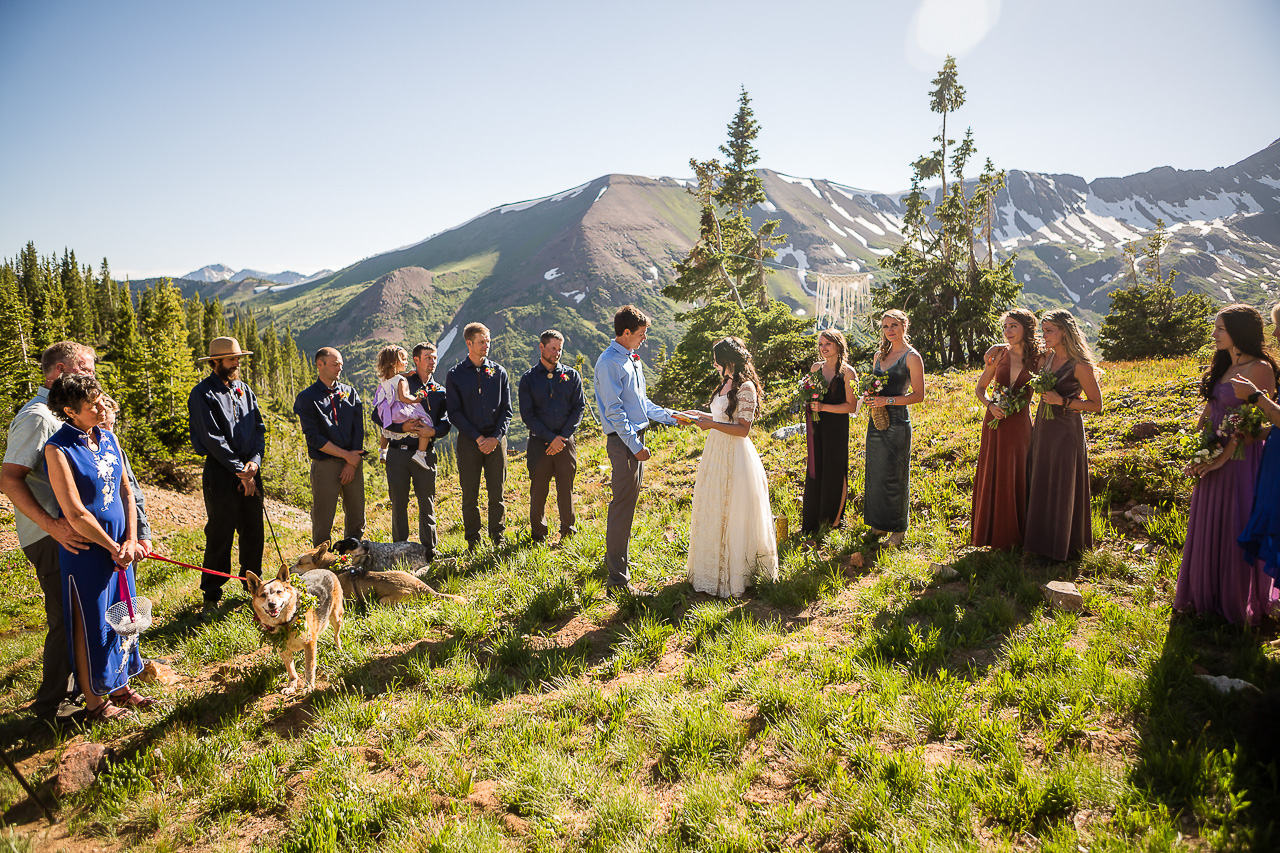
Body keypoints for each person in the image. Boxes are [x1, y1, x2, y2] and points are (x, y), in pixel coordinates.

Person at [1, 342, 101, 724]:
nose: (93, 376)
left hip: (70, 533)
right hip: (50, 535)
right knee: (66, 617)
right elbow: (8, 479)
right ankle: (51, 707)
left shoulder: (66, 415)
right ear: (59, 370)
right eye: (86, 369)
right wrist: (54, 526)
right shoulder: (38, 417)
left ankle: (83, 689)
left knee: (82, 613)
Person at [44, 374, 153, 722]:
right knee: (90, 621)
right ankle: (95, 701)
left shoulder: (108, 437)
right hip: (87, 552)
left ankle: (120, 685)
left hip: (121, 547)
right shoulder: (58, 449)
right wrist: (111, 546)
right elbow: (75, 511)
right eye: (92, 405)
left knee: (125, 614)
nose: (102, 407)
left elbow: (126, 491)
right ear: (69, 411)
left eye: (101, 399)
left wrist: (131, 540)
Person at [1174, 304, 1279, 625]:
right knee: (1207, 523)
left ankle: (1236, 603)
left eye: (1220, 328)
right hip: (1212, 454)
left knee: (1234, 522)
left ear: (1239, 331)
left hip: (1239, 460)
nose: (1214, 333)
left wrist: (1220, 457)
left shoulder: (1260, 368)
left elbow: (1252, 424)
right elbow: (1207, 414)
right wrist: (1197, 451)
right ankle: (1205, 596)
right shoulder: (1222, 364)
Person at [595, 304, 686, 593]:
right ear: (625, 333)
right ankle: (617, 581)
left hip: (636, 440)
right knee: (622, 506)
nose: (644, 339)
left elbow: (642, 404)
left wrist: (672, 416)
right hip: (624, 443)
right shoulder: (608, 363)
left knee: (628, 504)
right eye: (641, 334)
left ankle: (618, 562)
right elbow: (615, 412)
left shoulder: (632, 359)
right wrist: (635, 446)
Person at [682, 337, 779, 597]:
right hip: (715, 452)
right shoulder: (725, 384)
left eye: (717, 359)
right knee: (713, 505)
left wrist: (711, 425)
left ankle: (736, 575)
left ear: (728, 360)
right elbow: (718, 417)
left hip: (735, 454)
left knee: (734, 509)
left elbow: (743, 429)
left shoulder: (745, 387)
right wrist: (694, 415)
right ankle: (710, 571)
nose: (714, 364)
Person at [188, 336, 266, 610]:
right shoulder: (202, 393)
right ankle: (211, 594)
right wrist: (238, 471)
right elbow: (212, 439)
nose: (236, 364)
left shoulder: (243, 389)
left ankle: (252, 588)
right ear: (215, 362)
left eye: (237, 359)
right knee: (221, 532)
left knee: (254, 530)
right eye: (231, 359)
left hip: (250, 469)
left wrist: (254, 463)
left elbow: (258, 428)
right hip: (221, 472)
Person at [1023, 309, 1104, 561]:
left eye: (1049, 331)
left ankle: (1062, 547)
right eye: (1043, 330)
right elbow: (1016, 349)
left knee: (1061, 484)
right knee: (1042, 479)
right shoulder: (1047, 358)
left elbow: (1096, 405)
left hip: (1066, 431)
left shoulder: (1081, 366)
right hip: (1044, 428)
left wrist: (1063, 401)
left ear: (1064, 332)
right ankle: (1039, 544)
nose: (1043, 335)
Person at [971, 309, 1043, 549]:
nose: (1008, 331)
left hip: (1020, 424)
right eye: (1005, 327)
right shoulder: (999, 354)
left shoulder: (1039, 359)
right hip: (994, 423)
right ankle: (990, 534)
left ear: (1026, 328)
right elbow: (980, 388)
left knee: (1017, 473)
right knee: (993, 472)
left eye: (1013, 326)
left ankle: (1016, 536)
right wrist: (990, 405)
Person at [372, 342, 451, 555]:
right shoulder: (402, 382)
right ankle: (400, 549)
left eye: (434, 357)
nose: (432, 361)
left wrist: (432, 432)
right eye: (428, 357)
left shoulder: (440, 391)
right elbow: (376, 414)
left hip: (424, 452)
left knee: (427, 501)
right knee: (399, 502)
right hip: (397, 452)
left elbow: (445, 422)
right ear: (417, 360)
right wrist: (402, 426)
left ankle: (429, 549)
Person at [445, 322, 513, 549]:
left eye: (488, 341)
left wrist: (495, 437)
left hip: (496, 440)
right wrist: (477, 438)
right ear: (469, 343)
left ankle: (498, 538)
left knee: (498, 492)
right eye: (482, 342)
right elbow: (454, 412)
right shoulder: (455, 375)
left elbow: (507, 410)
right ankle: (473, 541)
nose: (487, 345)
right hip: (469, 442)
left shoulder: (499, 372)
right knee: (469, 495)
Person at [862, 309, 926, 547]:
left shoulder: (911, 357)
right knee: (876, 472)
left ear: (904, 327)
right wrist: (870, 397)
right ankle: (879, 524)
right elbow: (874, 386)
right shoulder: (879, 356)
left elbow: (919, 396)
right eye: (886, 326)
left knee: (896, 475)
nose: (890, 330)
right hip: (876, 419)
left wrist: (887, 401)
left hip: (898, 420)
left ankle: (898, 530)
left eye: (895, 325)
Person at [294, 347, 365, 548]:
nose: (339, 368)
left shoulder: (350, 392)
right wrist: (345, 456)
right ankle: (320, 563)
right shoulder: (307, 397)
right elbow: (313, 437)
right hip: (325, 464)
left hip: (353, 461)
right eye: (335, 364)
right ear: (320, 364)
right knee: (323, 520)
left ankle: (351, 558)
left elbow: (358, 430)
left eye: (341, 364)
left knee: (356, 515)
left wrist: (352, 462)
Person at [518, 330, 585, 544]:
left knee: (566, 488)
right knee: (538, 490)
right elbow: (527, 414)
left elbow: (579, 408)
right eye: (552, 348)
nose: (557, 353)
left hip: (566, 443)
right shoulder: (528, 379)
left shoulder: (572, 375)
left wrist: (563, 437)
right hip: (540, 444)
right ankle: (539, 535)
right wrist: (550, 438)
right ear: (541, 347)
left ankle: (568, 532)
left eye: (559, 349)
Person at [1230, 302, 1280, 583]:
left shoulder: (1260, 369)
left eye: (1278, 325)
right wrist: (1252, 433)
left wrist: (1256, 397)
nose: (1275, 333)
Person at [801, 329, 859, 538]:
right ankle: (811, 523)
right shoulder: (816, 368)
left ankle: (832, 521)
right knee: (815, 470)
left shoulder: (848, 373)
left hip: (836, 427)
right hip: (817, 426)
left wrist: (823, 408)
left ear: (838, 345)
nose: (823, 348)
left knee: (834, 470)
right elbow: (809, 393)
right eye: (820, 344)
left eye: (828, 344)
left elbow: (851, 407)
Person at [372, 345, 433, 468]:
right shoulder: (400, 380)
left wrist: (406, 374)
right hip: (400, 410)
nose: (406, 362)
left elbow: (394, 378)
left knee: (386, 427)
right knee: (425, 422)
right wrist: (417, 398)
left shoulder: (384, 378)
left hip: (387, 410)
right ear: (394, 363)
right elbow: (404, 397)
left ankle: (383, 450)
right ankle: (420, 454)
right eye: (404, 359)